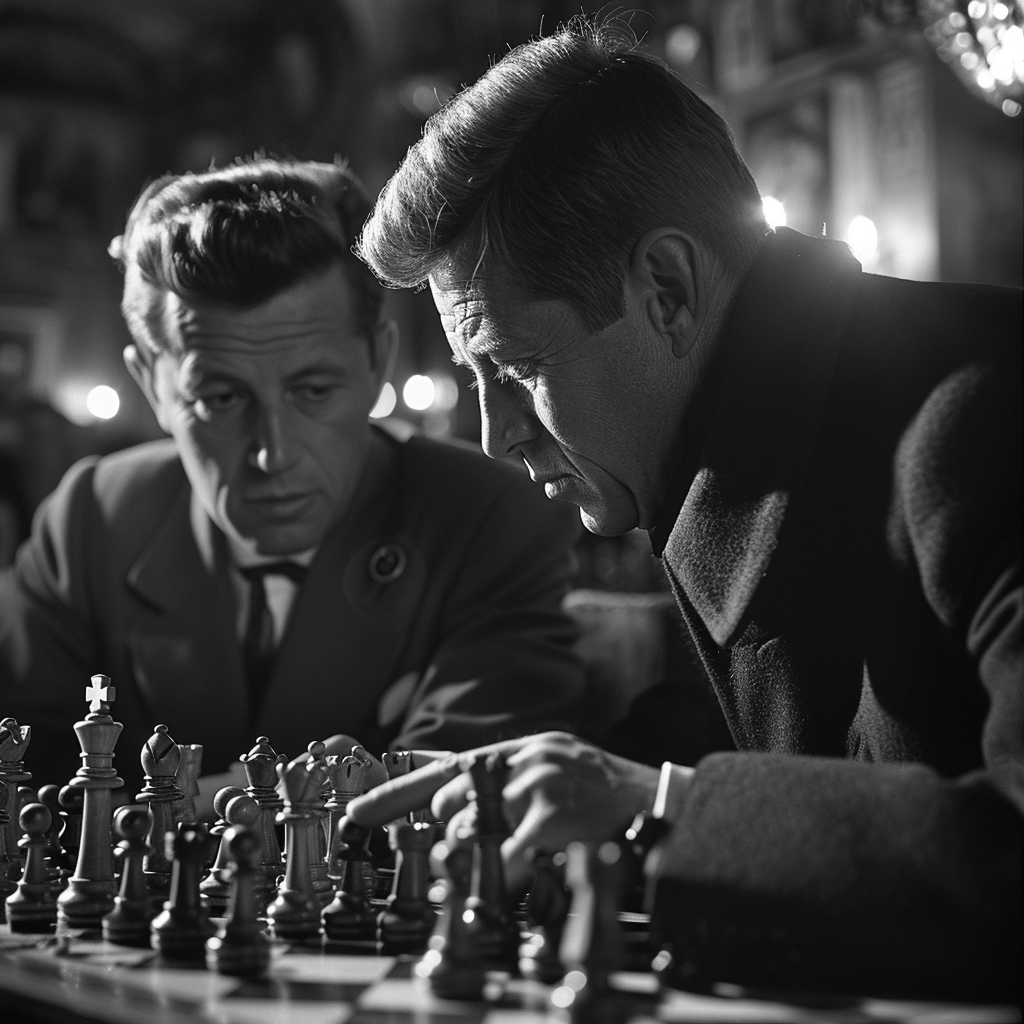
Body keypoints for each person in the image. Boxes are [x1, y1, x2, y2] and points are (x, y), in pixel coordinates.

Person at [350, 20, 1022, 1001]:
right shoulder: (716, 449)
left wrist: (652, 808)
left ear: (666, 287)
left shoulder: (980, 415)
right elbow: (717, 750)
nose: (495, 436)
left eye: (520, 368)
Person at [0, 157, 585, 803]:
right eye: (222, 399)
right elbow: (20, 779)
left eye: (312, 390)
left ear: (376, 363)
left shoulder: (489, 516)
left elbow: (465, 790)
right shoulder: (90, 521)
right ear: (151, 387)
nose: (272, 454)